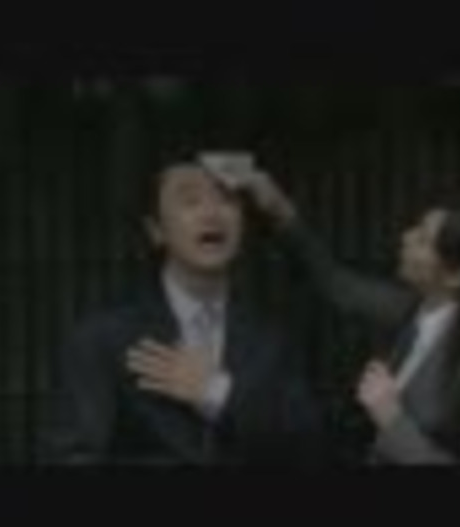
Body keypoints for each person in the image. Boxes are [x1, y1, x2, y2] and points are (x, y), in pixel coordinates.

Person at [40, 162, 324, 465]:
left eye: (226, 199)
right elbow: (69, 455)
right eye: (190, 201)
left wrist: (218, 394)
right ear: (156, 230)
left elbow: (307, 446)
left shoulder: (273, 337)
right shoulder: (102, 337)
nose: (211, 214)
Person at [242, 171, 460, 464]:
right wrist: (280, 210)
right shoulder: (419, 309)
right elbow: (337, 284)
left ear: (456, 275)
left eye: (422, 239)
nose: (405, 237)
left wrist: (391, 418)